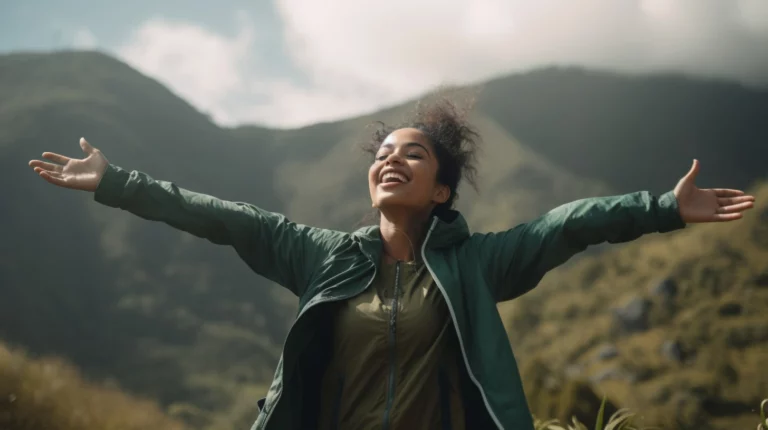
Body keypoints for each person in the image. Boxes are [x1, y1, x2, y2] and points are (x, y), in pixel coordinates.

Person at [28, 99, 755, 430]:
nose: (390, 159)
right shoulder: (321, 257)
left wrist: (661, 206)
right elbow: (222, 217)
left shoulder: (478, 264)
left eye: (412, 153)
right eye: (383, 153)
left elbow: (569, 224)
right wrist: (118, 183)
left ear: (441, 188)